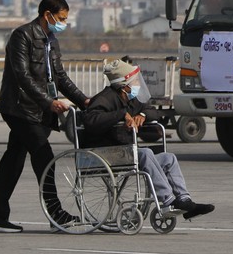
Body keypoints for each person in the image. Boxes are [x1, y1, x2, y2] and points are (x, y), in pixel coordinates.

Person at [0, 0, 90, 233]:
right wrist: (49, 102)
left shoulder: (51, 40)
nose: (63, 23)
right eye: (61, 18)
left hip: (39, 110)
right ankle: (56, 215)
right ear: (47, 15)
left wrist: (84, 100)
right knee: (44, 156)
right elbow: (22, 76)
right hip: (20, 107)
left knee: (14, 159)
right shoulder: (22, 36)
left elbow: (60, 77)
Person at [82, 57, 214, 220]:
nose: (138, 85)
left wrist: (142, 115)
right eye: (135, 82)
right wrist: (121, 115)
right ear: (125, 86)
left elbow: (153, 111)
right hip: (103, 152)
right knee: (145, 154)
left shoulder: (130, 99)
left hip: (123, 151)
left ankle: (184, 200)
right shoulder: (104, 99)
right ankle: (167, 201)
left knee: (169, 158)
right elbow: (90, 120)